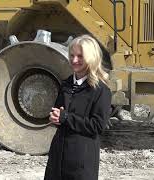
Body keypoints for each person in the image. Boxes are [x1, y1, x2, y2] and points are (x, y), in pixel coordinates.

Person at [44, 34, 112, 180]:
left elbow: (97, 126)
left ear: (91, 57)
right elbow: (60, 115)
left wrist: (66, 118)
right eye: (72, 55)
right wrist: (54, 117)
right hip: (58, 155)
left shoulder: (100, 90)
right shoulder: (66, 84)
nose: (74, 60)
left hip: (82, 159)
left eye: (80, 56)